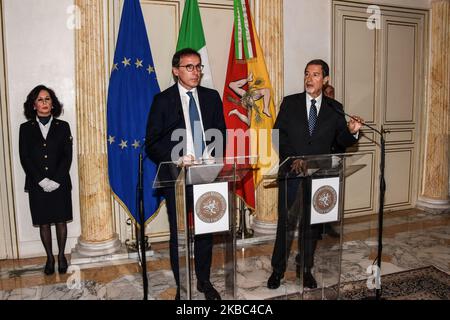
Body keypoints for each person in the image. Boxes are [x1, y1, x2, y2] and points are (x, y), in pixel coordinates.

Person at [268, 59, 363, 290]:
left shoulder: (335, 108)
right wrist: (294, 158)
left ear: (326, 79)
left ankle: (306, 268)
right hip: (292, 172)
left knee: (311, 225)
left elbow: (340, 142)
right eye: (307, 74)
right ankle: (277, 271)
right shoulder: (290, 103)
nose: (309, 79)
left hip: (320, 175)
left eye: (316, 75)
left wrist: (352, 133)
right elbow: (277, 135)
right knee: (287, 223)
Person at [145, 48, 226, 300]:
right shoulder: (163, 100)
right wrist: (175, 157)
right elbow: (152, 142)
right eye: (189, 67)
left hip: (206, 174)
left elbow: (220, 133)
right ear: (176, 70)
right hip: (177, 177)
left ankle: (203, 281)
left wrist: (214, 153)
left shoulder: (211, 97)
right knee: (178, 235)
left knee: (205, 231)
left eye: (198, 66)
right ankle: (182, 286)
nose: (195, 72)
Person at [19, 85, 73, 276]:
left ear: (53, 103)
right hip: (37, 184)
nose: (44, 103)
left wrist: (56, 180)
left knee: (60, 221)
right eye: (40, 100)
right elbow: (25, 157)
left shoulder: (63, 126)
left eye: (48, 99)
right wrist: (41, 180)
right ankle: (49, 258)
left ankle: (61, 257)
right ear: (34, 105)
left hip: (60, 183)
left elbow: (67, 156)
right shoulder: (25, 129)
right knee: (43, 222)